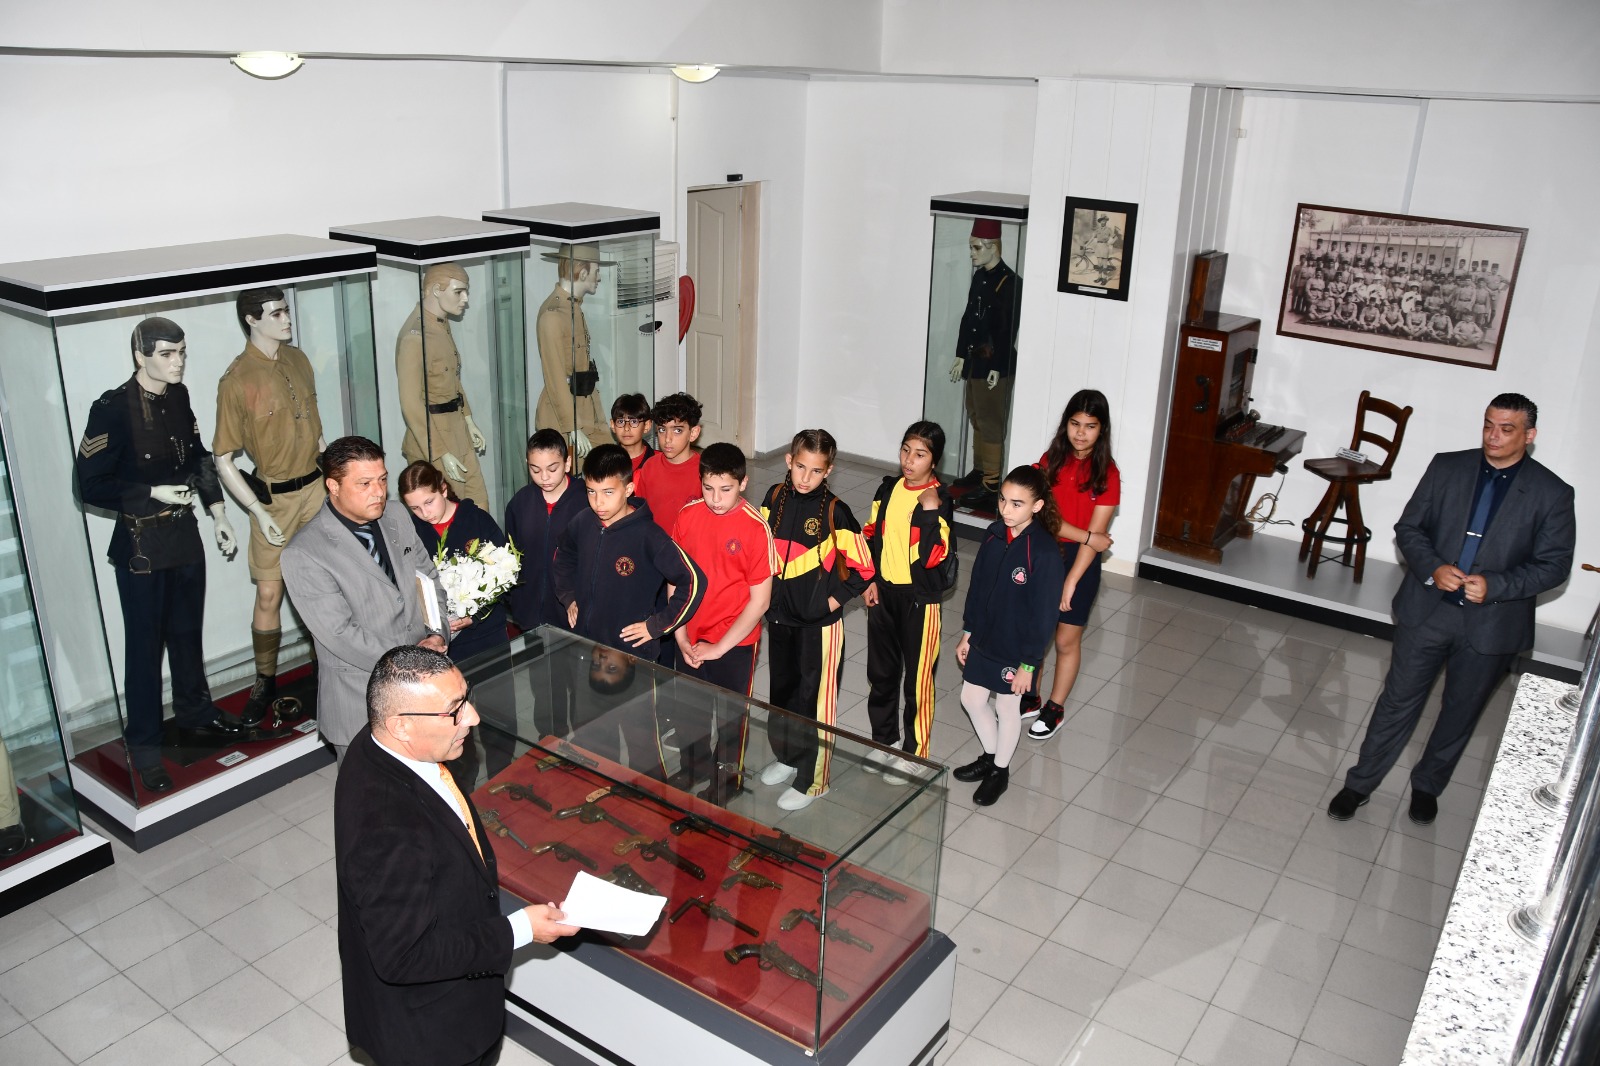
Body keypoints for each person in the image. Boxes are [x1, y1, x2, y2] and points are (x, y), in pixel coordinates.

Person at [1328, 395, 1575, 826]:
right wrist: (1433, 568)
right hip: (1429, 611)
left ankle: (1427, 787)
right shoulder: (1447, 467)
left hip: (1492, 624)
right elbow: (1409, 527)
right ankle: (1360, 784)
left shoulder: (1552, 493)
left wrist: (1497, 585)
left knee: (1461, 711)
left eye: (1506, 429)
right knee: (1397, 701)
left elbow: (1554, 565)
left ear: (1529, 435)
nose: (1493, 436)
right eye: (1488, 425)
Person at [336, 645, 577, 1066]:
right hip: (432, 1034)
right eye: (454, 711)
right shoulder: (389, 827)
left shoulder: (379, 745)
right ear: (401, 725)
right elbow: (404, 956)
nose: (473, 718)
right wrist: (519, 929)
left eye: (467, 698)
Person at [75, 317, 268, 793]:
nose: (177, 362)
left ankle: (196, 714)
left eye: (181, 352)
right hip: (141, 545)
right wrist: (151, 493)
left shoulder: (178, 396)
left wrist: (219, 514)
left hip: (184, 537)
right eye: (166, 354)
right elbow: (89, 485)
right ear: (140, 357)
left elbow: (198, 456)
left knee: (186, 636)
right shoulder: (111, 409)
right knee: (144, 652)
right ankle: (143, 746)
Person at [281, 436, 450, 764]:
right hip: (361, 701)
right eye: (364, 483)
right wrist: (411, 663)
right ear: (333, 485)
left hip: (425, 693)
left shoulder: (396, 515)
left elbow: (427, 579)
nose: (379, 492)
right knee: (370, 795)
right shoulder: (305, 553)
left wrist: (437, 633)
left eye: (382, 480)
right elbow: (340, 634)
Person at [214, 286, 326, 725]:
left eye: (286, 310)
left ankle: (327, 665)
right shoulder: (237, 380)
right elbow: (223, 458)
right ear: (251, 320)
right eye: (276, 313)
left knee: (325, 584)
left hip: (316, 490)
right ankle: (264, 680)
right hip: (274, 499)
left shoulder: (298, 360)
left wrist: (335, 478)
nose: (286, 319)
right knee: (268, 591)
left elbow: (316, 430)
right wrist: (257, 513)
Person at [758, 430, 876, 811]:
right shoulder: (774, 497)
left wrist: (829, 601)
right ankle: (788, 757)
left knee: (815, 700)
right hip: (779, 618)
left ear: (829, 471)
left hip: (818, 627)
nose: (805, 477)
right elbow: (760, 547)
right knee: (783, 693)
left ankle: (814, 780)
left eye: (816, 471)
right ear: (788, 461)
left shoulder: (835, 511)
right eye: (800, 467)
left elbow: (864, 567)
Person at [669, 443, 780, 801]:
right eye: (708, 488)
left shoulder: (755, 528)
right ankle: (693, 768)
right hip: (690, 635)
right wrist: (680, 636)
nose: (716, 499)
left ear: (743, 483)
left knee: (731, 720)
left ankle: (727, 783)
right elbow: (676, 580)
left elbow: (760, 601)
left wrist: (719, 648)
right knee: (689, 710)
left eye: (726, 489)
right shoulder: (687, 516)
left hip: (734, 642)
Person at [954, 467, 1067, 805]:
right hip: (984, 636)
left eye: (1017, 504)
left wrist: (1029, 665)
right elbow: (977, 588)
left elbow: (1044, 616)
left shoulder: (1043, 552)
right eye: (1003, 500)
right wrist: (968, 632)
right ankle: (991, 756)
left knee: (1007, 707)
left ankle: (999, 772)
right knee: (971, 699)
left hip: (1016, 648)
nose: (1006, 509)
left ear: (1037, 506)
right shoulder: (994, 535)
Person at [861, 421, 955, 781]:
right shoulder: (888, 489)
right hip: (884, 595)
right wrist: (869, 580)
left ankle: (916, 753)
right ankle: (884, 740)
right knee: (881, 674)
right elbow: (871, 535)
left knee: (917, 682)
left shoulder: (940, 500)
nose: (909, 460)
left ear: (934, 461)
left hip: (920, 602)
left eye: (920, 454)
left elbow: (933, 556)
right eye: (905, 450)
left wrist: (929, 511)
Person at [1022, 391, 1119, 739]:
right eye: (1075, 424)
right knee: (1035, 632)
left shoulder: (1108, 474)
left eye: (1090, 426)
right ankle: (1030, 696)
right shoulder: (1050, 461)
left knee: (1065, 639)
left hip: (1081, 562)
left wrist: (1072, 579)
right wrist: (1090, 536)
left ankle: (1055, 707)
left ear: (1101, 429)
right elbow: (1043, 517)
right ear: (1066, 424)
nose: (1081, 432)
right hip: (1044, 554)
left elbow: (1095, 540)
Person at [553, 444, 704, 661]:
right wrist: (568, 596)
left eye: (608, 492)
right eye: (591, 491)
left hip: (632, 654)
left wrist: (656, 626)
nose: (598, 502)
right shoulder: (583, 521)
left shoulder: (649, 536)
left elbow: (693, 580)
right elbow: (564, 555)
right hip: (586, 646)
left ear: (628, 489)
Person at [396, 262, 490, 509]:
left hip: (458, 430)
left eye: (466, 291)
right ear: (437, 290)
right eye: (459, 291)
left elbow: (452, 380)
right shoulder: (415, 337)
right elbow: (411, 404)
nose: (465, 299)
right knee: (448, 515)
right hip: (433, 437)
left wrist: (469, 420)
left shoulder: (440, 324)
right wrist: (439, 452)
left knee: (479, 506)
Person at [399, 460, 509, 665]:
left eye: (429, 502)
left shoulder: (477, 520)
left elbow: (505, 575)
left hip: (487, 633)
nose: (425, 513)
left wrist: (476, 616)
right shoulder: (411, 532)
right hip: (441, 641)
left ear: (443, 489)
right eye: (415, 508)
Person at [948, 219, 1022, 510]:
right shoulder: (980, 277)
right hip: (976, 361)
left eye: (976, 247)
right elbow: (969, 318)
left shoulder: (1010, 282)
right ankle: (980, 471)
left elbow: (1007, 329)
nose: (972, 253)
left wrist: (997, 366)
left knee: (991, 422)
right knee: (976, 416)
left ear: (994, 247)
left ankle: (992, 484)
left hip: (995, 365)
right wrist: (960, 355)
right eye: (971, 247)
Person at [505, 429, 586, 634]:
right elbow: (511, 558)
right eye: (535, 469)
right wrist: (516, 600)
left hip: (573, 614)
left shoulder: (587, 501)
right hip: (528, 613)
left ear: (567, 463)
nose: (544, 477)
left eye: (552, 469)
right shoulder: (519, 503)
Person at [534, 243, 610, 458]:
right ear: (583, 273)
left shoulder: (573, 307)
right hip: (564, 416)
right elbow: (555, 377)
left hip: (586, 407)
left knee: (610, 462)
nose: (599, 278)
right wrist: (573, 426)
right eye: (596, 271)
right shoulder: (553, 315)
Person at [632, 392, 705, 536]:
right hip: (655, 542)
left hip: (688, 546)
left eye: (677, 430)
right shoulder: (650, 467)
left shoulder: (705, 472)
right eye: (662, 430)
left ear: (693, 433)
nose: (667, 439)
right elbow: (640, 511)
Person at [609, 392, 655, 477]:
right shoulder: (605, 463)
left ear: (647, 425)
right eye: (620, 421)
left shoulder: (659, 461)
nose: (626, 428)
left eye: (634, 421)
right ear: (613, 425)